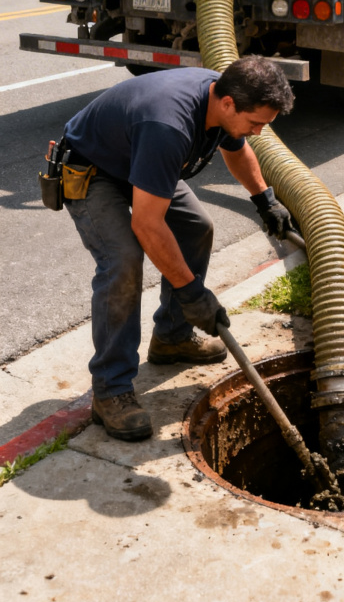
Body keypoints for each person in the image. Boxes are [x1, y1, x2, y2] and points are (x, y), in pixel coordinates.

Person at [61, 56, 294, 442]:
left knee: (197, 227)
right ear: (229, 104)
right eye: (256, 123)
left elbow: (236, 151)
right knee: (123, 261)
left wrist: (264, 199)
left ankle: (171, 337)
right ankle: (111, 389)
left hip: (138, 160)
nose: (256, 132)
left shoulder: (223, 101)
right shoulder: (169, 125)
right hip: (94, 169)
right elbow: (147, 226)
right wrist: (191, 292)